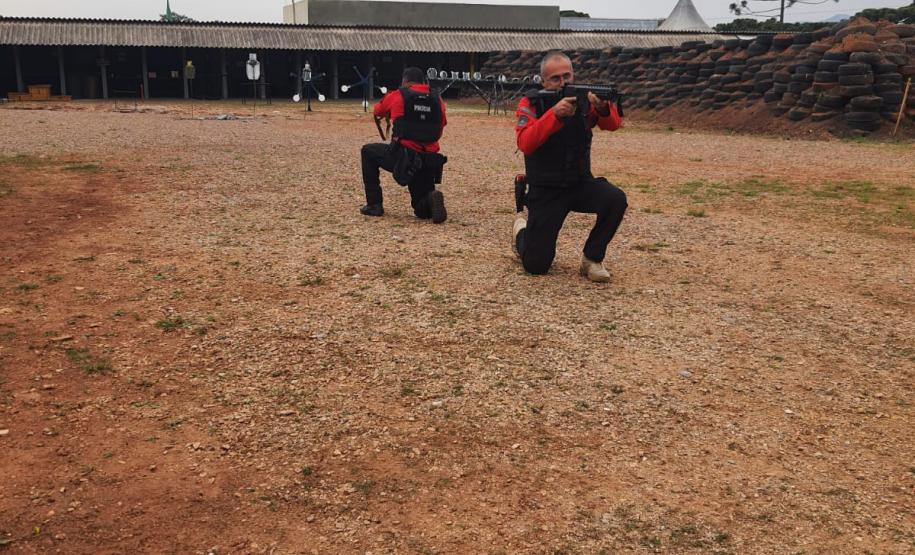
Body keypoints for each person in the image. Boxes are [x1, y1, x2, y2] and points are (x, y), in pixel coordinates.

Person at [512, 51, 628, 282]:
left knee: (615, 199)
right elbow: (525, 143)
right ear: (543, 80)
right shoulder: (532, 102)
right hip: (546, 190)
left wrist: (603, 108)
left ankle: (592, 258)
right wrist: (554, 115)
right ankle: (521, 231)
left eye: (567, 75)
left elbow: (613, 125)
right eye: (555, 78)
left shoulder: (585, 100)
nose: (563, 82)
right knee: (536, 266)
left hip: (579, 182)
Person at [360, 67, 448, 223]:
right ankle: (430, 198)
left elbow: (378, 110)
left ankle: (374, 205)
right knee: (421, 210)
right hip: (429, 160)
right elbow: (441, 125)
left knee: (368, 152)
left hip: (403, 156)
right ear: (424, 81)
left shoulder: (398, 95)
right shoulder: (437, 99)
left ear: (404, 81)